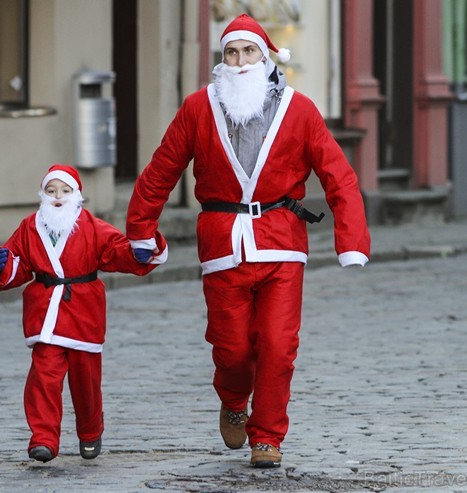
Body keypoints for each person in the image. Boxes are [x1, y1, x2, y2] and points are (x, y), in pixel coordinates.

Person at [126, 13, 371, 468]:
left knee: (279, 345)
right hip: (222, 245)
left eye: (248, 52)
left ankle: (267, 436)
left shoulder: (299, 109)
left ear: (266, 57)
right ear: (223, 61)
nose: (239, 61)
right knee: (232, 346)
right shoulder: (199, 107)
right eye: (231, 53)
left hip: (281, 243)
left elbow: (339, 176)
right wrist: (141, 229)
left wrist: (351, 238)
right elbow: (161, 171)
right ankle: (234, 397)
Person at [0, 164, 167, 463]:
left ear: (77, 195)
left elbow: (117, 251)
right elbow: (16, 264)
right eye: (51, 190)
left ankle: (90, 431)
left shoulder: (92, 226)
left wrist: (142, 250)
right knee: (44, 377)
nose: (58, 197)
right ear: (42, 195)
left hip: (83, 314)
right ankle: (43, 438)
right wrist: (2, 264)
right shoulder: (30, 227)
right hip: (46, 315)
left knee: (86, 382)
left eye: (65, 191)